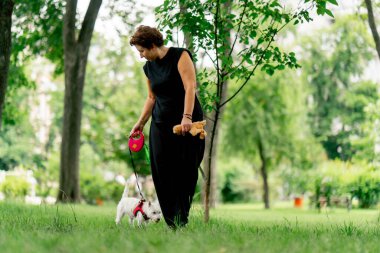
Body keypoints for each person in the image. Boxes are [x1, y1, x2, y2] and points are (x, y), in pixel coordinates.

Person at [129, 25, 205, 228]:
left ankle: (182, 219)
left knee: (186, 172)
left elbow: (190, 87)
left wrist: (186, 117)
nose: (141, 56)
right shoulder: (148, 68)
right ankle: (172, 223)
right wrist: (140, 123)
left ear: (152, 45)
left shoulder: (180, 56)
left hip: (187, 125)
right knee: (162, 173)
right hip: (160, 126)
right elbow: (151, 97)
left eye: (142, 51)